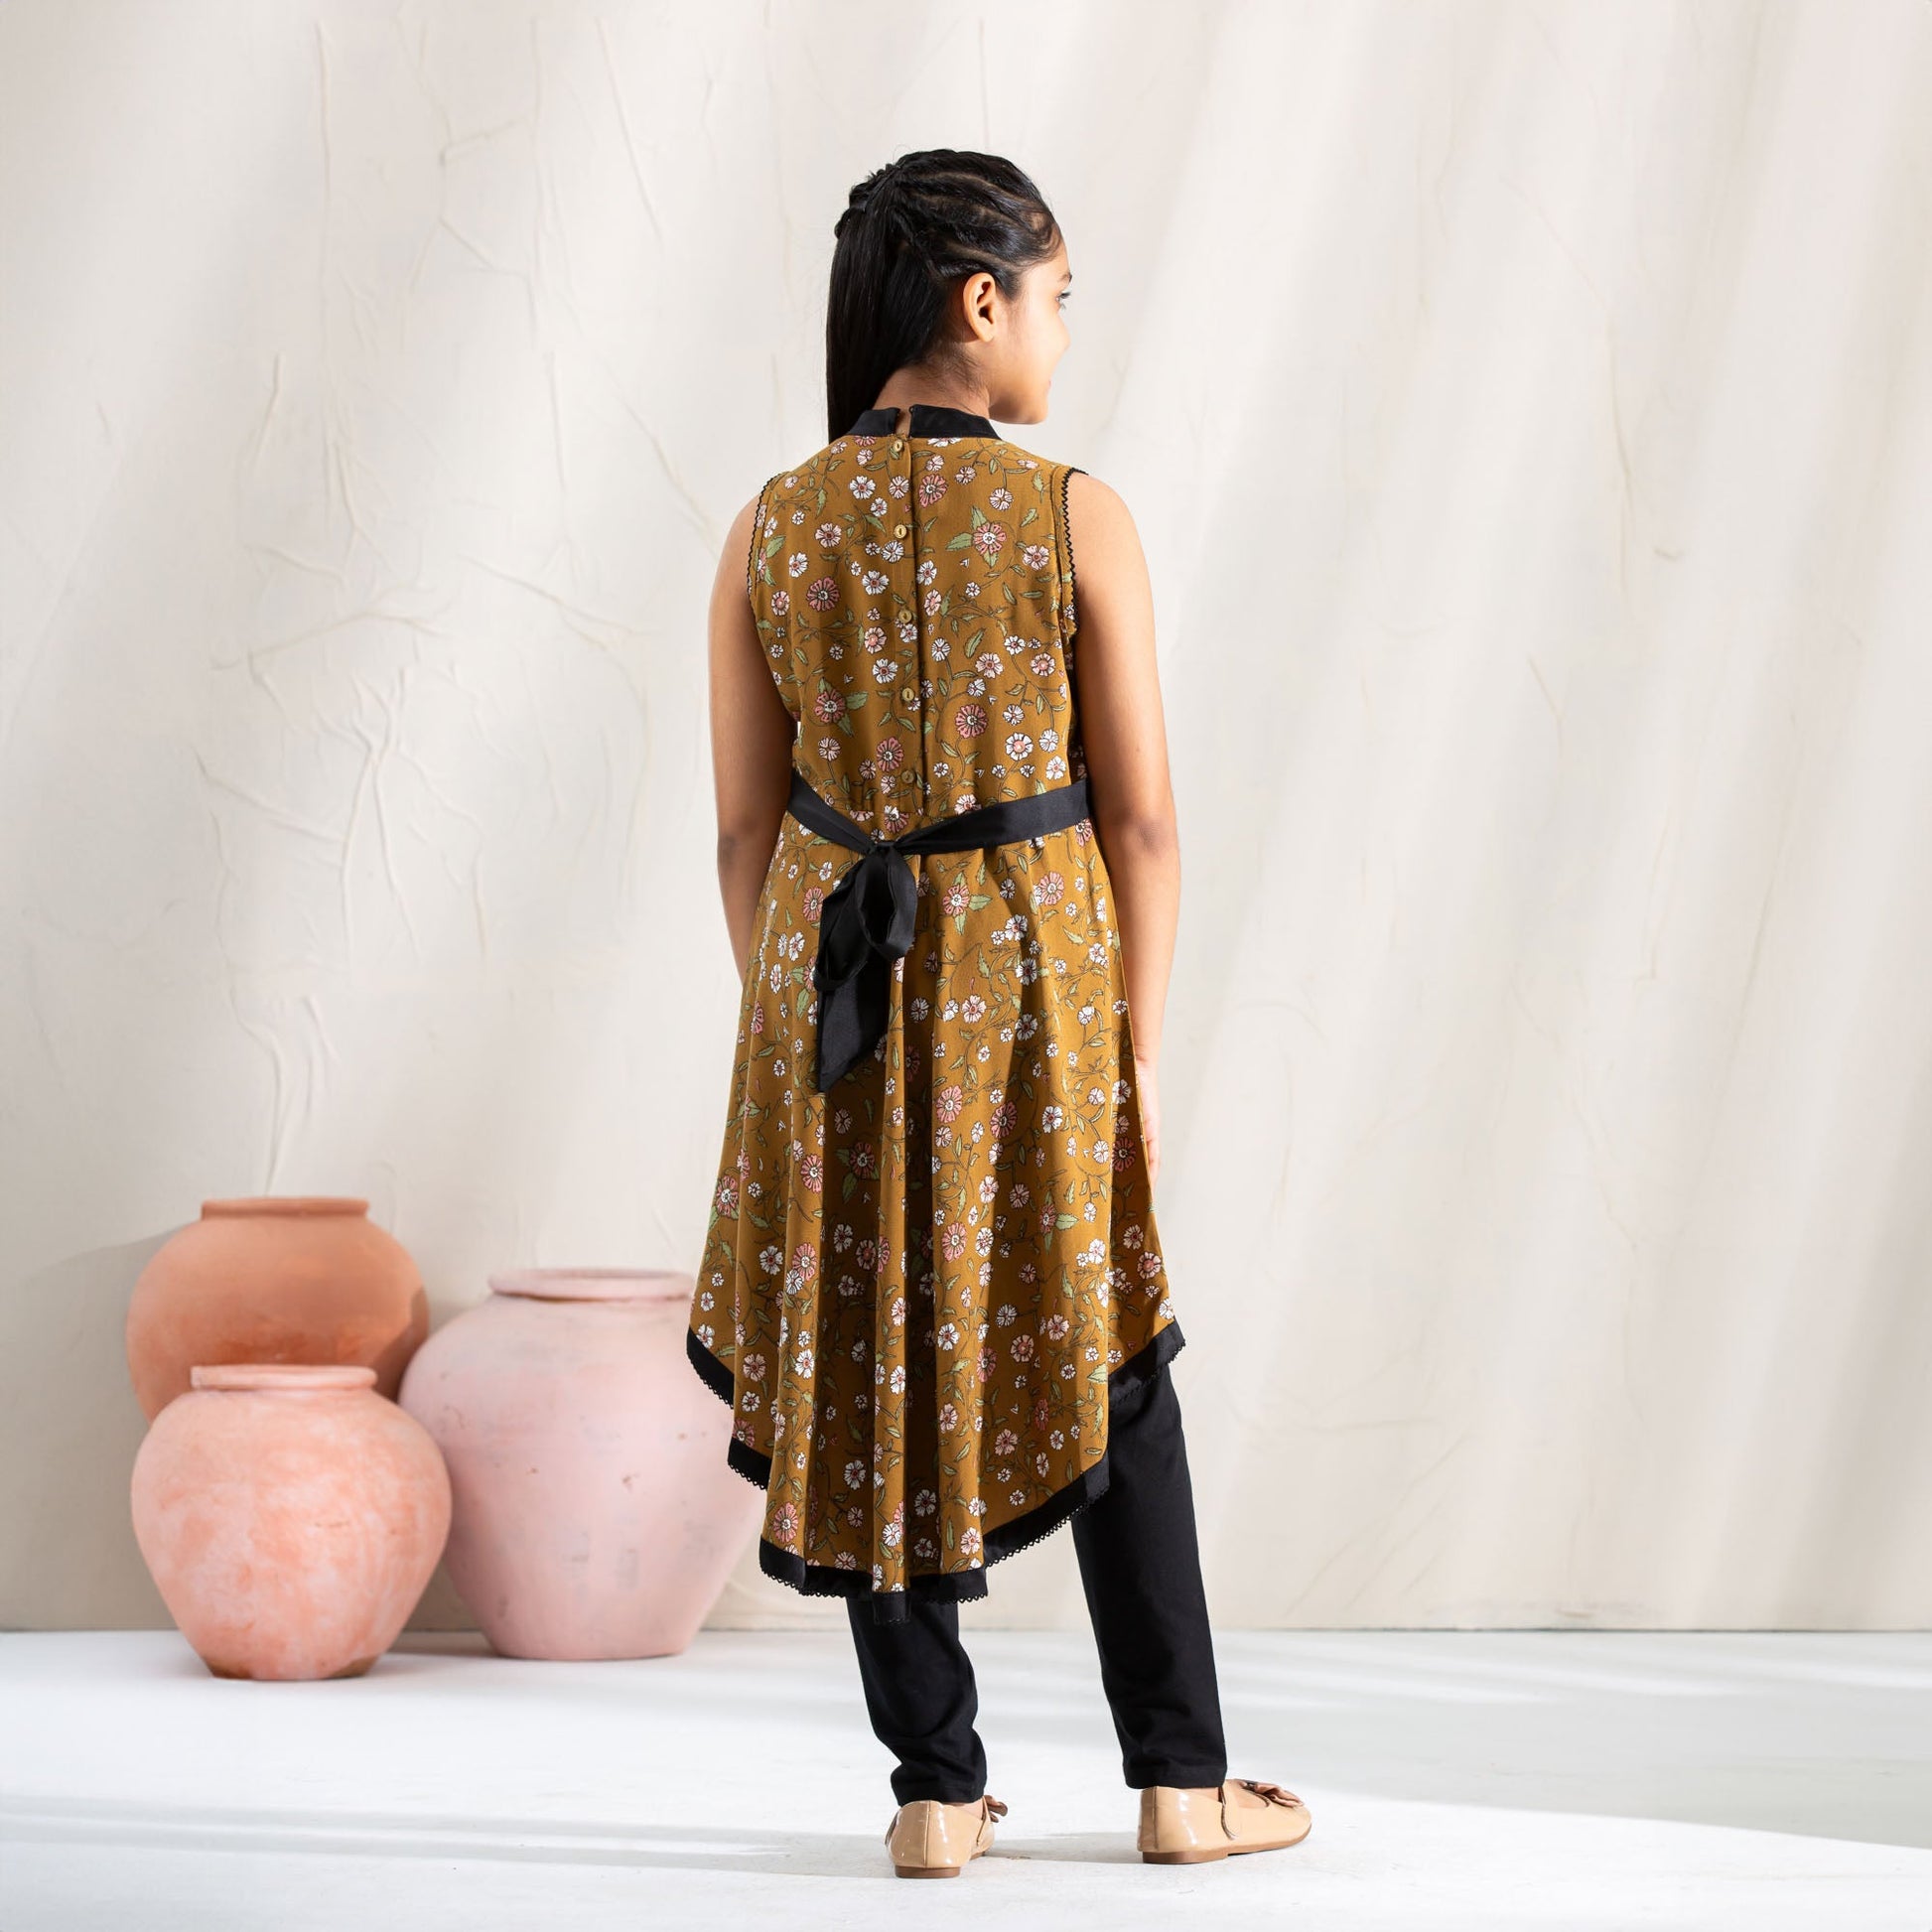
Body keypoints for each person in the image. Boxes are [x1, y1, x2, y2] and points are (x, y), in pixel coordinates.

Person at [686, 148, 1311, 1877]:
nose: (1062, 330)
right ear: (982, 301)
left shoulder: (767, 523)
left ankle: (933, 1790)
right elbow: (1144, 823)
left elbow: (744, 830)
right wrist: (1136, 1048)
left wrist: (793, 1022)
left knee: (869, 1353)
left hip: (832, 980)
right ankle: (1180, 1780)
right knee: (1109, 1346)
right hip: (1031, 978)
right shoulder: (1069, 513)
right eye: (1056, 296)